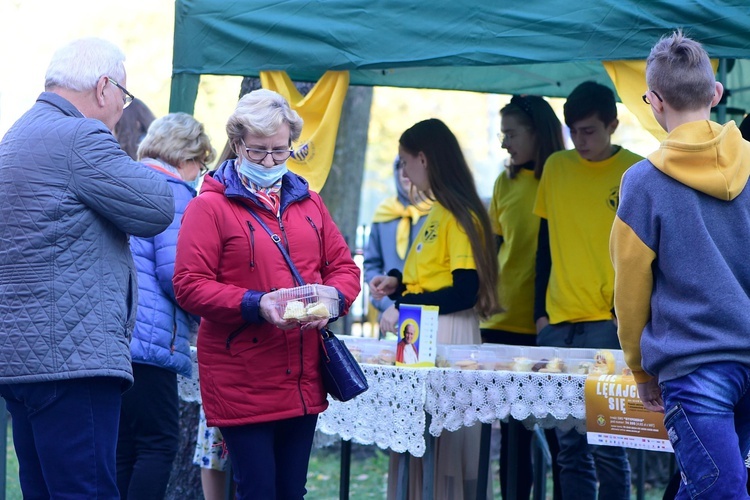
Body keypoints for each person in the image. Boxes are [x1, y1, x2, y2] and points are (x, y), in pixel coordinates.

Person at [0, 37, 174, 499]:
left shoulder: (17, 133)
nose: (122, 108)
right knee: (87, 492)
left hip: (21, 359)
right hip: (71, 358)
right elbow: (155, 206)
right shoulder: (80, 136)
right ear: (104, 87)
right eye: (124, 95)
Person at [172, 88, 361, 499]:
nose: (271, 161)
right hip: (242, 375)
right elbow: (188, 284)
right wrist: (256, 304)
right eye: (258, 152)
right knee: (257, 489)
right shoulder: (210, 207)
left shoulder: (310, 202)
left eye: (280, 151)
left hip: (302, 374)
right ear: (237, 144)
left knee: (292, 490)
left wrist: (333, 301)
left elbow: (344, 269)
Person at [611, 30, 750, 499]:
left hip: (693, 366)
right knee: (717, 488)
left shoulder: (642, 183)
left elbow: (629, 291)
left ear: (653, 101)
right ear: (716, 93)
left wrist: (638, 368)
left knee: (716, 489)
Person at [370, 118, 499, 500]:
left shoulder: (459, 214)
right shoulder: (437, 211)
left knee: (442, 444)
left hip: (446, 333)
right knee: (416, 438)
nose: (403, 172)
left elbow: (464, 290)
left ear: (423, 159)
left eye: (405, 162)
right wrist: (398, 281)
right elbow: (432, 275)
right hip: (423, 331)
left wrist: (405, 303)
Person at [533, 81, 642, 500]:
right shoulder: (556, 168)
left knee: (609, 442)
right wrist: (538, 313)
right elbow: (544, 246)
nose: (581, 140)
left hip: (608, 325)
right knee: (569, 447)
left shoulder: (635, 171)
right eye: (574, 131)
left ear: (613, 124)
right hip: (558, 324)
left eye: (590, 131)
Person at [116, 112, 215, 499]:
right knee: (158, 443)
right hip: (151, 341)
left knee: (124, 446)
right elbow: (177, 274)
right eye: (200, 163)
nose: (200, 172)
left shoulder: (127, 180)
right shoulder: (174, 192)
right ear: (186, 157)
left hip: (117, 335)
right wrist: (209, 313)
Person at [480, 94, 564, 500]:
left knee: (561, 434)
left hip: (551, 321)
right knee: (513, 437)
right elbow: (496, 249)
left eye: (511, 134)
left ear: (538, 133)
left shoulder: (564, 177)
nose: (504, 144)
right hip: (502, 322)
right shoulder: (504, 181)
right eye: (503, 134)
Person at [363, 155, 430, 329]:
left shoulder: (436, 214)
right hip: (389, 316)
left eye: (409, 166)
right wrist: (387, 303)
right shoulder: (384, 214)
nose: (405, 173)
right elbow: (371, 265)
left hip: (429, 312)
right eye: (400, 166)